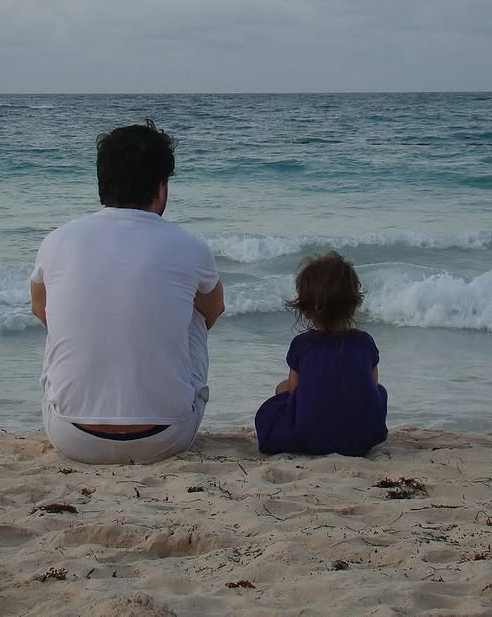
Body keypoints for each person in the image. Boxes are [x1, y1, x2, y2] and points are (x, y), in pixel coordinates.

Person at [29, 120, 224, 464]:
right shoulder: (190, 246)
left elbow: (39, 310)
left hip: (72, 437)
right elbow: (214, 311)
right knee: (193, 312)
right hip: (167, 437)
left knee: (60, 310)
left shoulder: (57, 240)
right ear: (160, 187)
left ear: (102, 183)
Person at [254, 251, 387, 456]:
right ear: (352, 308)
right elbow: (370, 386)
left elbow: (294, 390)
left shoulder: (302, 345)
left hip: (309, 436)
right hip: (359, 439)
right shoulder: (365, 343)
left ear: (305, 310)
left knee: (281, 391)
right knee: (380, 391)